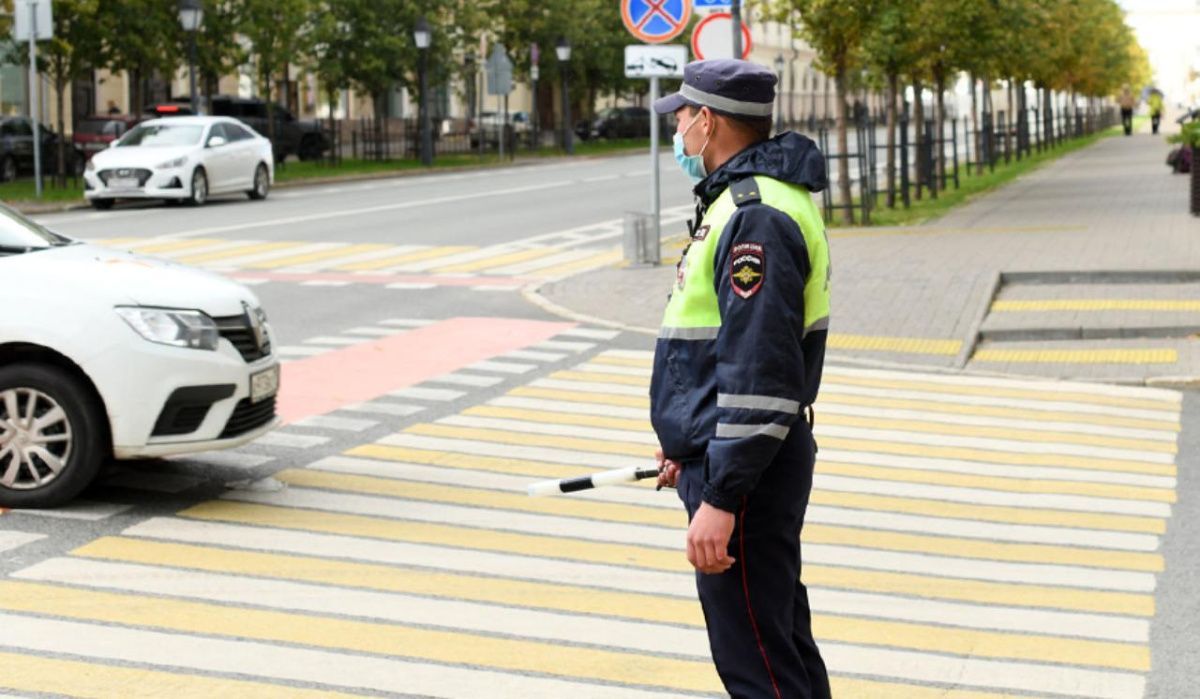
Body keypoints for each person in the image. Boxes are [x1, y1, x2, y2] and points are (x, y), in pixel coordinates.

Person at [650, 58, 832, 699]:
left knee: (758, 664)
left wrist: (722, 496)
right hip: (737, 458)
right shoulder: (746, 200)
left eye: (681, 118)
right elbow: (715, 350)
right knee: (779, 645)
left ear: (707, 121)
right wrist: (686, 441)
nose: (676, 131)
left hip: (748, 474)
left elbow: (761, 373)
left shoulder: (754, 215)